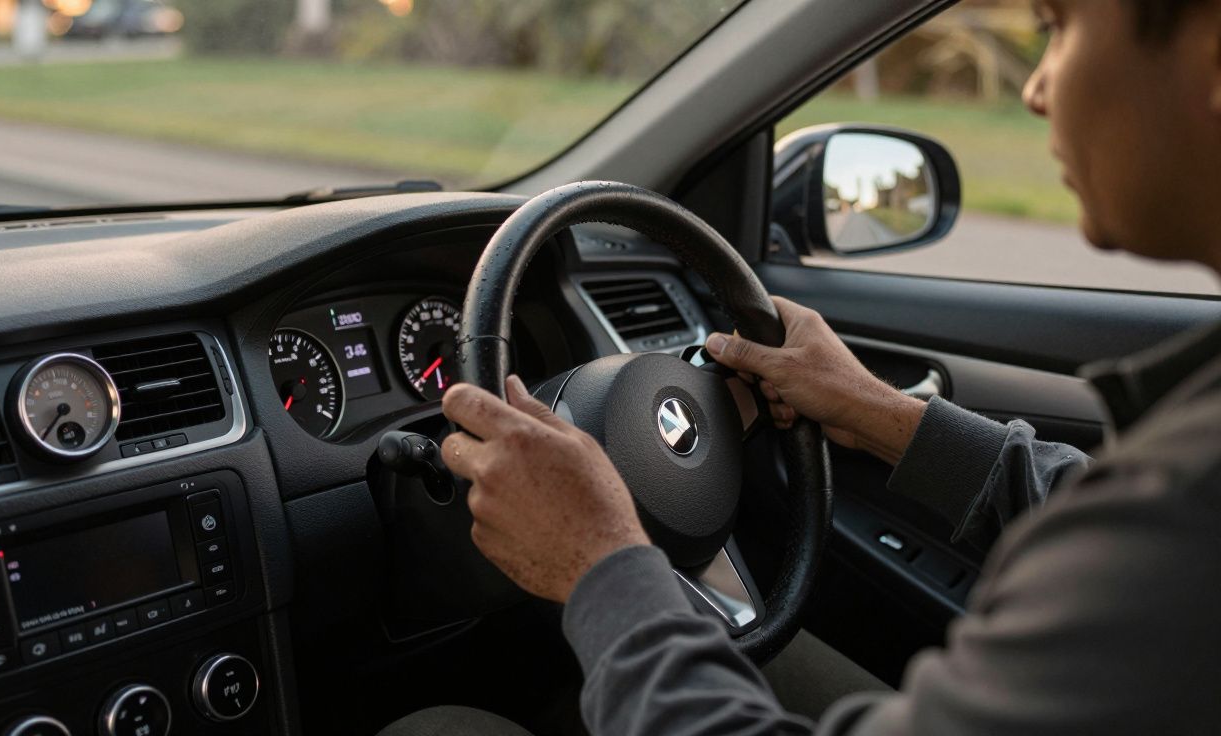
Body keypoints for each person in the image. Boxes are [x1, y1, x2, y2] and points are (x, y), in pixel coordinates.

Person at [383, 0, 1221, 733]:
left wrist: (600, 564)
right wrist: (884, 414)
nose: (1037, 88)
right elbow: (1093, 505)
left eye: (1057, 26)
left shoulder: (1183, 515)